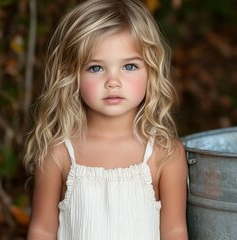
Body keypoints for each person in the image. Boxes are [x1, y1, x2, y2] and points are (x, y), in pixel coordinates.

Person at [24, 0, 188, 239]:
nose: (113, 81)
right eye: (96, 68)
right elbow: (42, 229)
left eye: (129, 66)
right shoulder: (58, 153)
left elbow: (174, 230)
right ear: (72, 75)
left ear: (151, 70)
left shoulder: (164, 153)